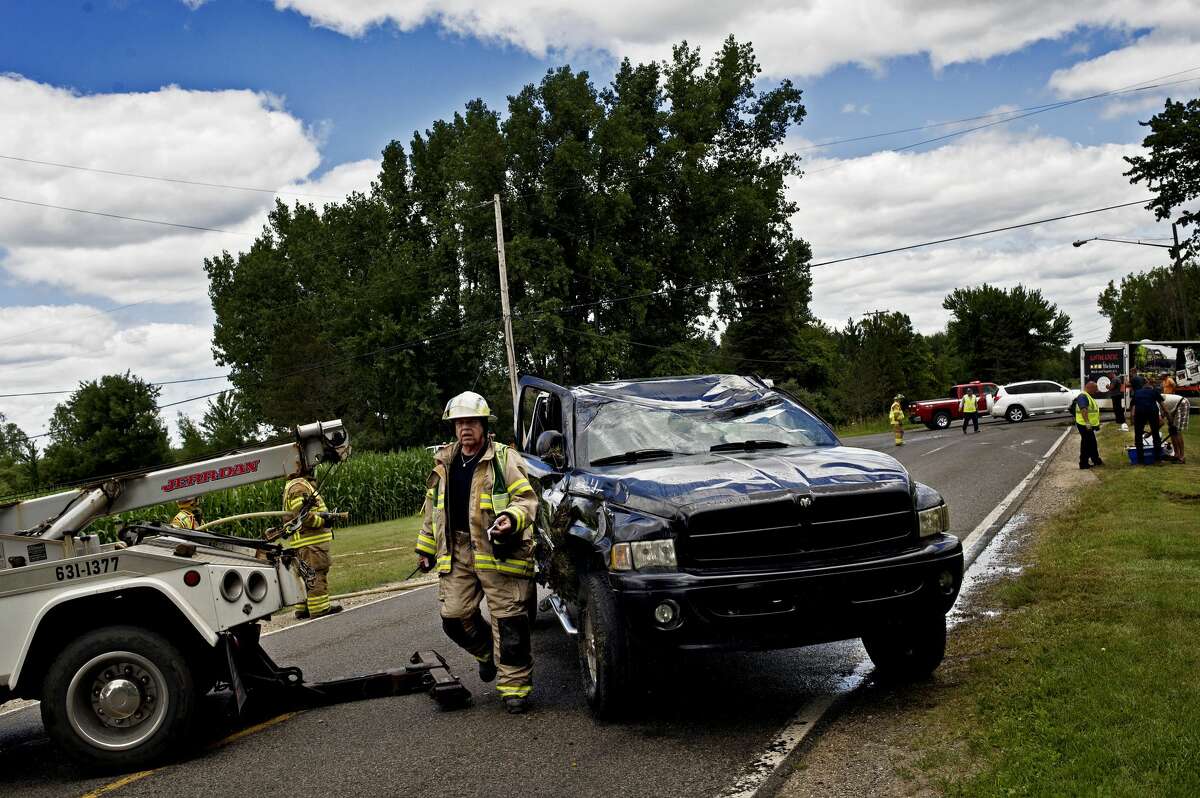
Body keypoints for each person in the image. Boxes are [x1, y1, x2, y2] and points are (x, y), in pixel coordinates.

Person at [415, 391, 540, 714]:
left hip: (498, 552)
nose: (464, 429)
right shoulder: (445, 462)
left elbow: (526, 501)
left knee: (510, 622)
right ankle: (486, 652)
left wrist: (511, 520)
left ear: (483, 424)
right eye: (459, 423)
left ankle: (515, 689)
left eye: (470, 422)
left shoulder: (503, 459)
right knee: (453, 617)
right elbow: (434, 511)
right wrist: (426, 548)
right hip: (457, 552)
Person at [282, 467, 342, 619]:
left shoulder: (296, 485)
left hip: (305, 543)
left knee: (306, 576)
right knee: (316, 574)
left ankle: (303, 608)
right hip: (311, 544)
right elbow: (303, 516)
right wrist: (323, 520)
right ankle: (320, 609)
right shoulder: (299, 486)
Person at [1130, 376, 1168, 465]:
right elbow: (1162, 405)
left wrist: (1132, 418)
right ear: (1150, 385)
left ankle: (1140, 460)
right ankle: (1158, 460)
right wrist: (1166, 415)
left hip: (1140, 413)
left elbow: (1133, 407)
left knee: (1138, 436)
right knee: (1155, 435)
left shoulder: (1137, 392)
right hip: (1152, 413)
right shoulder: (1154, 391)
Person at [1074, 381, 1102, 469]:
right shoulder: (1083, 396)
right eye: (1095, 389)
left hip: (1086, 424)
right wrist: (1087, 423)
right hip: (1084, 424)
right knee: (1086, 444)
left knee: (1092, 442)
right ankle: (1083, 463)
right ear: (1089, 387)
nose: (1096, 391)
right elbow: (1083, 410)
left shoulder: (1087, 396)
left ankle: (1096, 460)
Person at [1160, 392, 1190, 464]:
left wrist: (1151, 433)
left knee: (1176, 431)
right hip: (1174, 407)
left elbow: (1161, 422)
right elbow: (1164, 414)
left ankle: (1181, 457)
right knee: (1172, 430)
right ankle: (1176, 455)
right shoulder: (1154, 400)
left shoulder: (1155, 403)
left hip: (1182, 403)